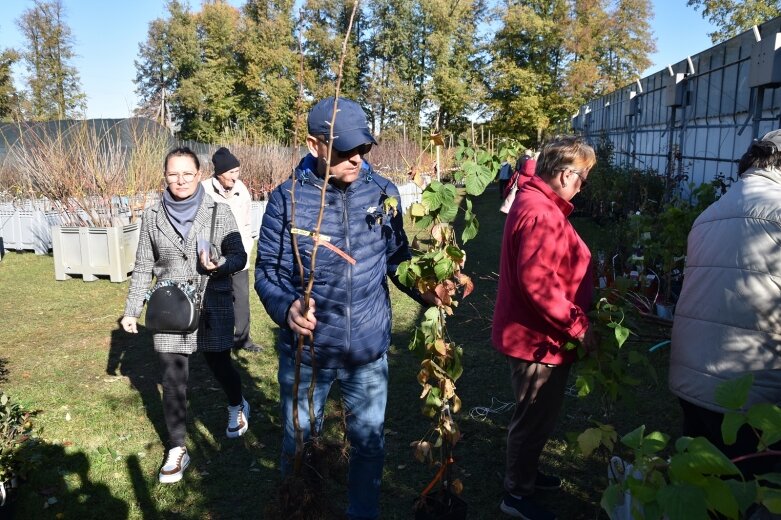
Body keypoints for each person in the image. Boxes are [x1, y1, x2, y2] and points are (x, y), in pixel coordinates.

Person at [255, 97, 437, 520]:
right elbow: (266, 270)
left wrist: (427, 289)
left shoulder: (383, 193)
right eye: (344, 150)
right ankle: (302, 509)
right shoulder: (288, 200)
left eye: (363, 149)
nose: (356, 159)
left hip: (368, 353)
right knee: (298, 445)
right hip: (308, 355)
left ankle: (363, 513)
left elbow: (396, 259)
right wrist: (287, 310)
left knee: (369, 444)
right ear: (314, 145)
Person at [120, 147, 250, 484]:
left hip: (211, 302)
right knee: (173, 379)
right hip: (170, 309)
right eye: (173, 174)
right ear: (164, 175)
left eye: (187, 173)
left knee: (220, 363)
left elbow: (238, 254)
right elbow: (144, 266)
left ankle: (237, 403)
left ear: (199, 174)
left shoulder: (218, 211)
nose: (180, 180)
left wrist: (220, 264)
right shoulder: (151, 216)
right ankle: (177, 448)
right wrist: (132, 310)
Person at [492, 135, 597, 520]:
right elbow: (539, 285)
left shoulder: (537, 201)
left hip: (540, 334)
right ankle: (516, 493)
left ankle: (528, 474)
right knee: (533, 415)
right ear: (567, 174)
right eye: (583, 177)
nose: (583, 185)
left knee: (537, 415)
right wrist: (579, 326)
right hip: (537, 339)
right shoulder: (541, 212)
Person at [669, 129, 781, 476]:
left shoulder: (707, 215)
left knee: (703, 481)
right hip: (750, 390)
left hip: (691, 378)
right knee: (750, 489)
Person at [202, 147, 262, 353]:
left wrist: (246, 247)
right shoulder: (203, 190)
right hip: (212, 256)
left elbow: (246, 224)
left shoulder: (241, 189)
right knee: (212, 297)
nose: (235, 177)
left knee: (242, 297)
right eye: (231, 173)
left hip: (238, 254)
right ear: (218, 173)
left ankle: (243, 339)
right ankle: (211, 338)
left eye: (237, 171)